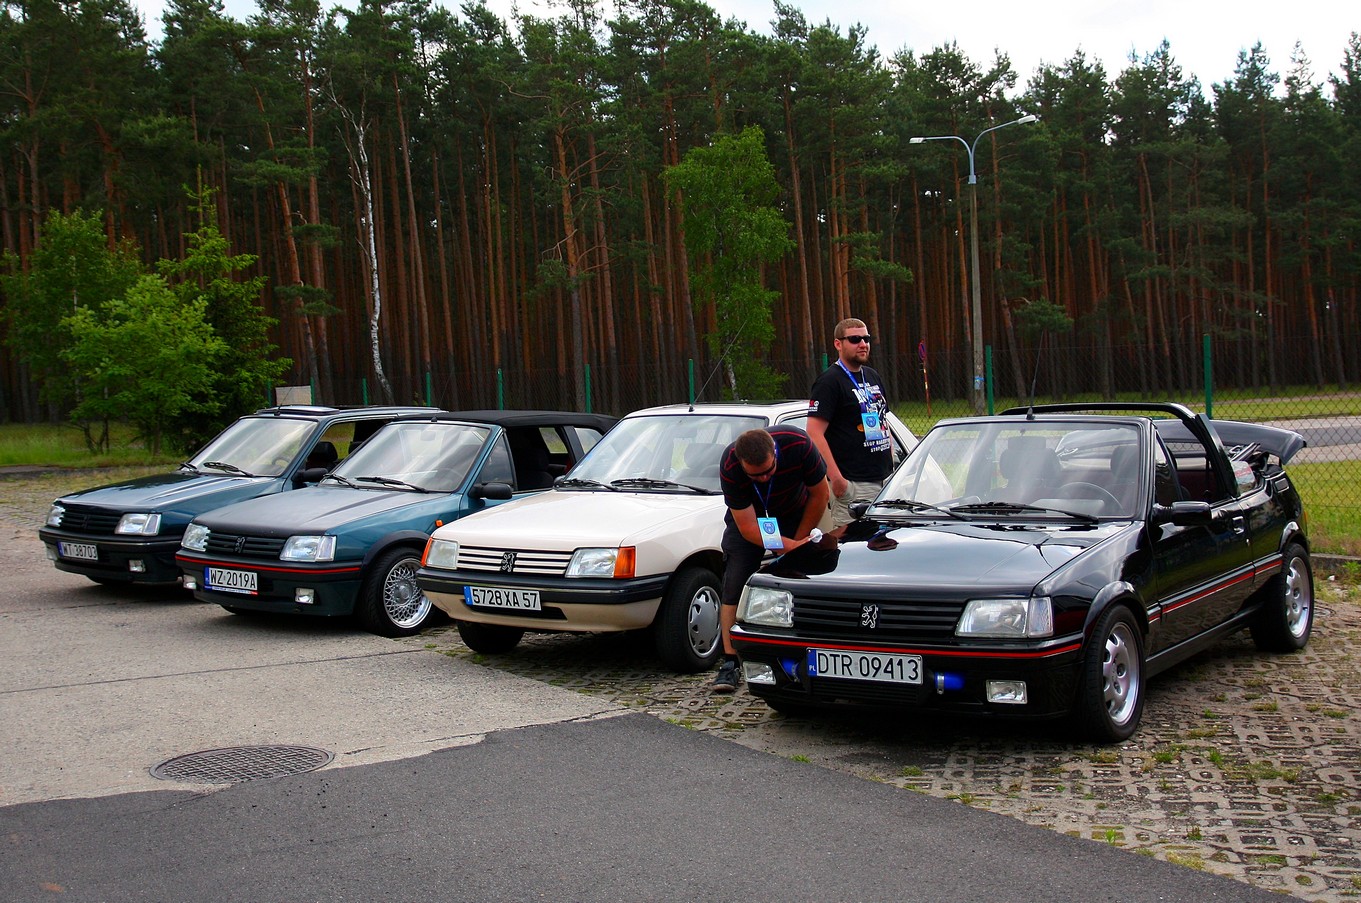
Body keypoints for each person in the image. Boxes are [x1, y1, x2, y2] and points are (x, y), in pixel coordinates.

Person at [712, 426, 830, 693]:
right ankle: (730, 662)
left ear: (775, 453)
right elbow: (747, 528)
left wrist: (797, 543)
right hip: (753, 520)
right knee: (734, 584)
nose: (764, 478)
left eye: (768, 471)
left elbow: (820, 494)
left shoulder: (798, 444)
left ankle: (808, 648)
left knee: (811, 576)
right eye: (755, 475)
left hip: (798, 513)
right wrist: (784, 546)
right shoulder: (730, 463)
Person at [807, 317, 893, 527]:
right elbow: (814, 432)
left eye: (866, 339)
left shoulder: (872, 376)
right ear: (838, 344)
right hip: (854, 484)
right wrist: (837, 479)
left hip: (885, 481)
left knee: (885, 542)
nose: (863, 344)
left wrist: (891, 463)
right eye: (855, 339)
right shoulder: (829, 382)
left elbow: (883, 419)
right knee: (856, 544)